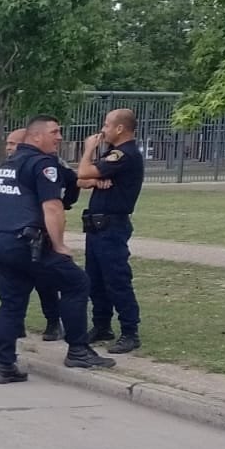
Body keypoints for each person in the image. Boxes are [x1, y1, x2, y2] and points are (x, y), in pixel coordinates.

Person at [0, 115, 116, 384]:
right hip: (27, 243)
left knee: (11, 303)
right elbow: (52, 207)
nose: (59, 137)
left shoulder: (8, 164)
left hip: (0, 241)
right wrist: (59, 245)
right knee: (77, 283)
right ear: (36, 136)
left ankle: (5, 365)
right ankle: (78, 350)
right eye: (54, 132)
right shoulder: (43, 164)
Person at [0, 127, 76, 342]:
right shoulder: (7, 167)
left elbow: (71, 184)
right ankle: (17, 326)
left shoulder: (48, 163)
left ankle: (53, 322)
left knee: (46, 282)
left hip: (38, 234)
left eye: (13, 144)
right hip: (10, 235)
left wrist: (64, 203)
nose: (9, 148)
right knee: (9, 289)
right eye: (7, 144)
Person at [76, 108, 145, 354]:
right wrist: (96, 180)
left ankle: (130, 332)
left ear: (119, 128)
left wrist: (88, 150)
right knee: (95, 279)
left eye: (106, 125)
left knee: (116, 279)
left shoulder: (124, 155)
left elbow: (83, 170)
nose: (102, 130)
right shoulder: (112, 154)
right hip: (96, 226)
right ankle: (102, 325)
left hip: (112, 226)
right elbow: (81, 180)